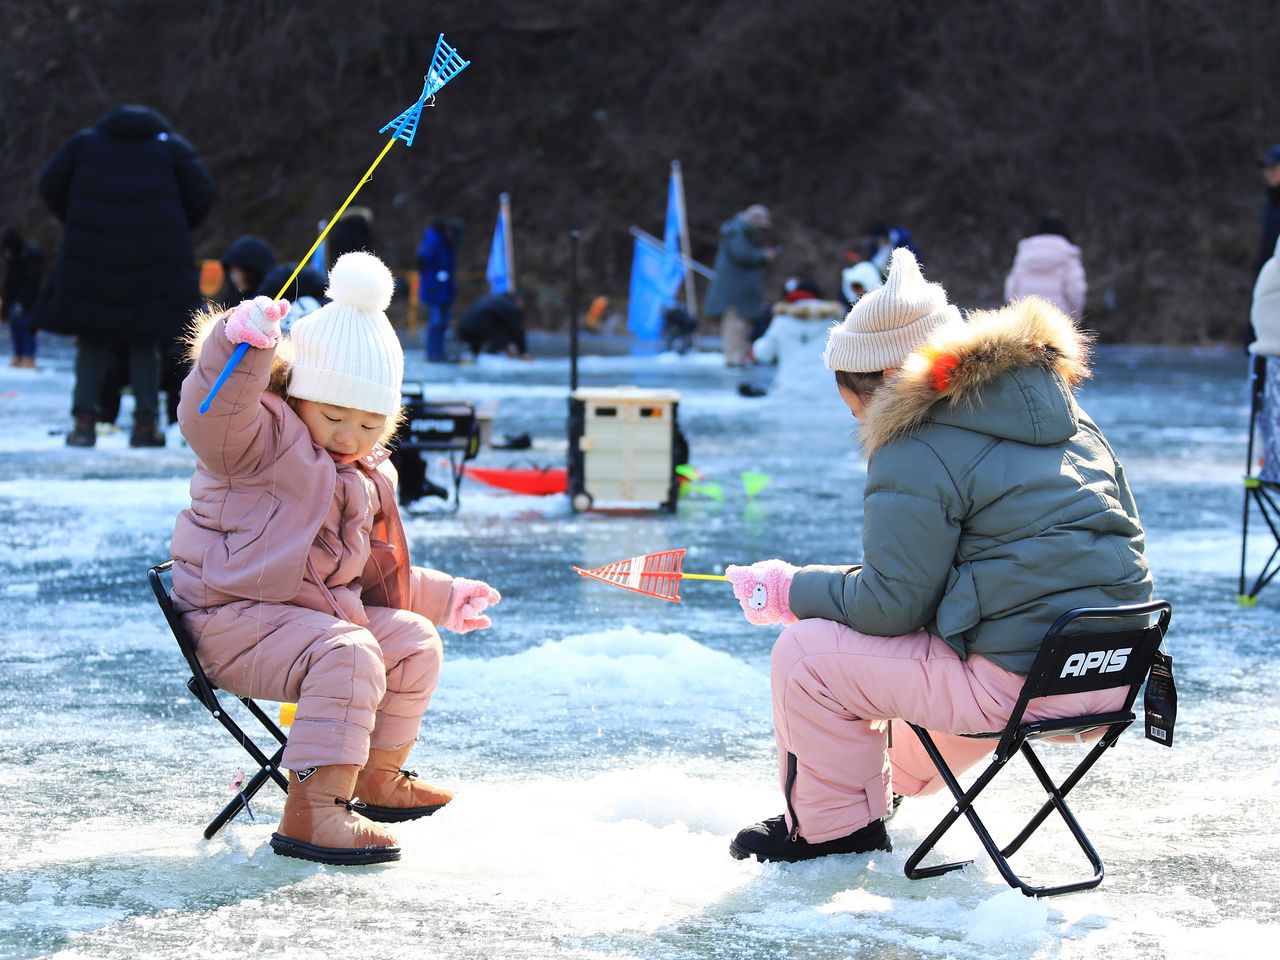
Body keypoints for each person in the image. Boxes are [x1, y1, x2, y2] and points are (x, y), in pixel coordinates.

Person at [723, 248, 1152, 863]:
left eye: (851, 407)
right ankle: (878, 793)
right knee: (926, 653)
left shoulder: (914, 440)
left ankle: (834, 834)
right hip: (1112, 668)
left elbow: (891, 606)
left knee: (806, 657)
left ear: (873, 386)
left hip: (1019, 682)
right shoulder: (1068, 414)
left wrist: (791, 590)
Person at [171, 252, 503, 866]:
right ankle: (314, 811)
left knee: (410, 641)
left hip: (308, 619)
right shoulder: (258, 444)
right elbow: (210, 413)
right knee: (347, 654)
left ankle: (375, 775)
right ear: (298, 397)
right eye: (334, 416)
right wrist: (239, 347)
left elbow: (362, 574)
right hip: (234, 618)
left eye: (370, 423)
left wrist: (442, 595)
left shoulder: (364, 472)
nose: (351, 436)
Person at [35, 104, 213, 447]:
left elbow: (49, 184)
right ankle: (146, 424)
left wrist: (77, 219)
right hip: (154, 258)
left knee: (91, 339)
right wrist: (174, 227)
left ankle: (84, 422)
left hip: (91, 256)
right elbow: (201, 194)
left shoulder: (84, 144)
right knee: (145, 340)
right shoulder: (169, 148)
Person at [704, 204, 779, 367]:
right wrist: (762, 255)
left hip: (742, 294)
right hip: (734, 295)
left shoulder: (740, 232)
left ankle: (738, 359)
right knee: (734, 327)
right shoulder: (736, 232)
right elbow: (742, 254)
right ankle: (733, 361)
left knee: (742, 327)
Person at [750, 282, 844, 400]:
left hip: (789, 390)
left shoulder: (781, 321)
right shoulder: (833, 321)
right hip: (828, 391)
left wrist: (757, 344)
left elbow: (763, 354)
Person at [1003, 212, 1087, 316]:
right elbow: (1076, 292)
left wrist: (1014, 311)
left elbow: (1011, 289)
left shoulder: (1025, 253)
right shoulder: (1068, 254)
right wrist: (1075, 318)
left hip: (1023, 317)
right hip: (1057, 320)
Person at [417, 219, 458, 362]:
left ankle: (439, 353)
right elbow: (422, 263)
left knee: (442, 323)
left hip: (444, 289)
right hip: (435, 290)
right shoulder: (433, 242)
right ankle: (433, 353)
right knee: (436, 323)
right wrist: (433, 284)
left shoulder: (444, 243)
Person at [1, 228, 43, 368]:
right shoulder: (14, 260)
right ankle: (19, 355)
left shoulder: (29, 260)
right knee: (16, 328)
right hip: (15, 301)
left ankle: (28, 357)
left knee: (26, 328)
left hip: (27, 303)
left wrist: (22, 302)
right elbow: (9, 284)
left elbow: (31, 284)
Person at [457, 290, 529, 359]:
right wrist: (523, 352)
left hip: (463, 328)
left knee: (494, 323)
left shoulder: (496, 299)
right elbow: (516, 330)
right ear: (520, 300)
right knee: (503, 328)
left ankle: (475, 354)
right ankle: (491, 353)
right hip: (475, 329)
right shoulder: (509, 306)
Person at [219, 235, 277, 306]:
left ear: (252, 272)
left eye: (238, 271)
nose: (232, 276)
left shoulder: (276, 298)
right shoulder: (232, 298)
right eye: (231, 271)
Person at [1258, 145, 1280, 278]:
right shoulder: (1271, 200)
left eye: (1274, 168)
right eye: (1267, 168)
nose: (1269, 172)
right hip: (1269, 276)